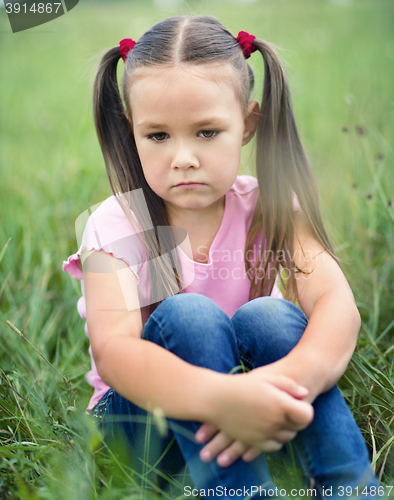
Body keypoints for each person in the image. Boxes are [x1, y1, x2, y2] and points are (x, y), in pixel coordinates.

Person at [63, 15, 380, 499]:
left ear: (247, 124)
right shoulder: (114, 224)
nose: (183, 157)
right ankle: (242, 493)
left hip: (253, 407)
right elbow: (116, 354)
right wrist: (223, 399)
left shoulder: (270, 208)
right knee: (188, 315)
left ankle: (349, 488)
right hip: (142, 421)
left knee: (270, 316)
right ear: (132, 132)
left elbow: (337, 306)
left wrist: (273, 388)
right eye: (158, 136)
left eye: (207, 133)